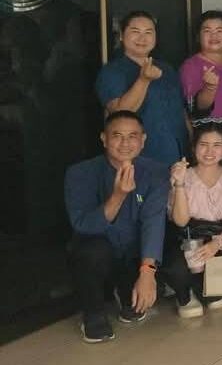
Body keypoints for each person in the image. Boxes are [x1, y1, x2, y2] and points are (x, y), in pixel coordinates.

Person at [65, 111, 169, 343]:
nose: (125, 143)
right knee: (92, 252)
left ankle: (125, 291)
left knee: (155, 258)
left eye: (132, 136)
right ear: (104, 138)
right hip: (98, 250)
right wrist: (118, 196)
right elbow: (83, 225)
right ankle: (93, 314)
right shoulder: (80, 173)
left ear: (143, 140)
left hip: (133, 251)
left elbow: (153, 221)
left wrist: (147, 272)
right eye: (117, 136)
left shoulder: (156, 172)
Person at [161, 123, 222, 318]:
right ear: (193, 147)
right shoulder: (183, 175)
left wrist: (217, 243)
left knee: (214, 298)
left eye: (217, 145)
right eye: (203, 145)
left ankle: (202, 288)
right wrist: (180, 183)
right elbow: (181, 221)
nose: (209, 151)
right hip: (189, 238)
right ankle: (185, 293)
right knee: (175, 268)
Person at [95, 11, 188, 165]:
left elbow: (181, 111)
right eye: (135, 31)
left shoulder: (167, 69)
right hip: (140, 157)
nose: (142, 38)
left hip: (178, 153)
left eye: (148, 32)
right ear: (121, 36)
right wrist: (144, 80)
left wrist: (191, 141)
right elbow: (120, 114)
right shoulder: (112, 72)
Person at [179, 11, 222, 163]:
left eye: (220, 30)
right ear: (198, 37)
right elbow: (197, 109)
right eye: (207, 31)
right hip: (208, 139)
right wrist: (210, 87)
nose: (214, 36)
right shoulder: (191, 66)